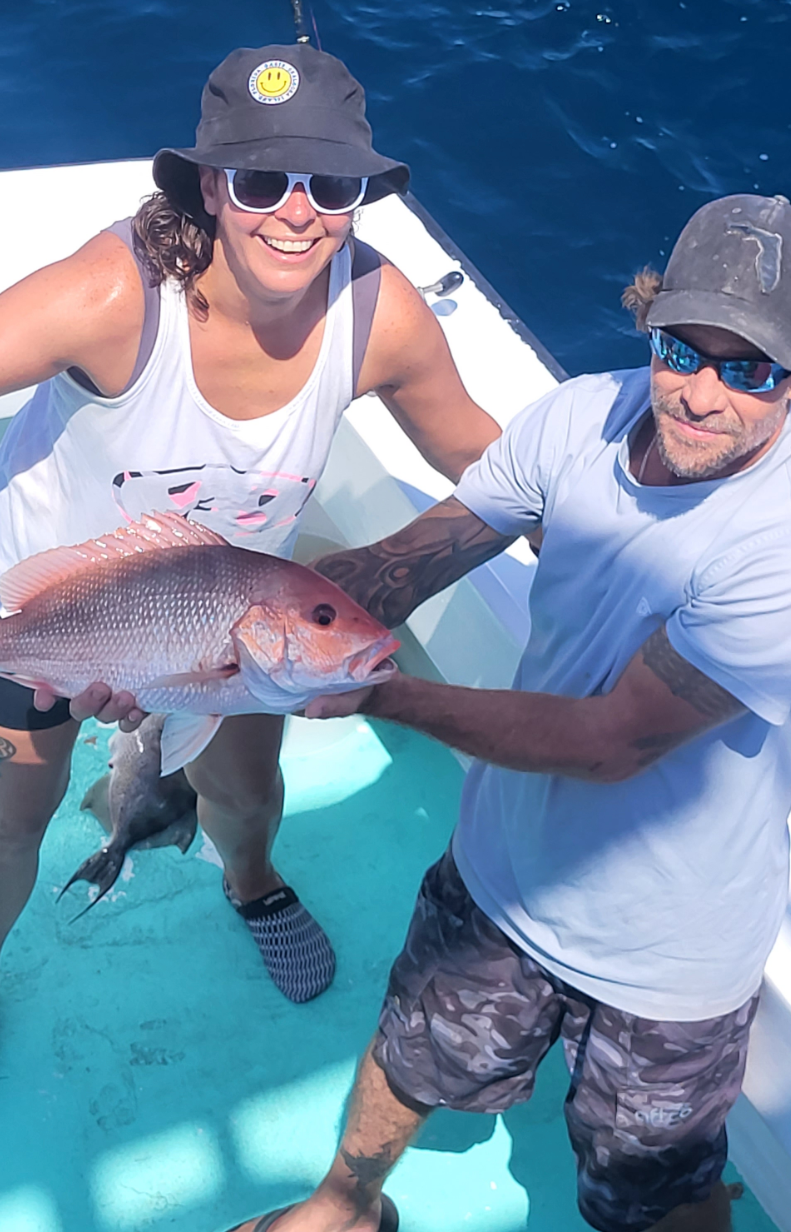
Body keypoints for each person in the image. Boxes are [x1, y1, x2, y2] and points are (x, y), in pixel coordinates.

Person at [0, 42, 501, 1141]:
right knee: (14, 818)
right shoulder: (115, 293)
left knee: (245, 787)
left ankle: (251, 883)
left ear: (360, 197)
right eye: (260, 181)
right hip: (35, 600)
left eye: (330, 186)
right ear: (204, 185)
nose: (297, 213)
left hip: (235, 617)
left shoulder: (377, 312)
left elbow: (488, 452)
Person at [227, 192, 791, 1232]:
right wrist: (218, 624)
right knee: (408, 1051)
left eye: (748, 368)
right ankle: (342, 1207)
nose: (700, 393)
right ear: (647, 325)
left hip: (666, 951)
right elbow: (407, 560)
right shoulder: (581, 415)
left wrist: (382, 690)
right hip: (499, 870)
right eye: (680, 349)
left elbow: (611, 740)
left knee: (659, 1187)